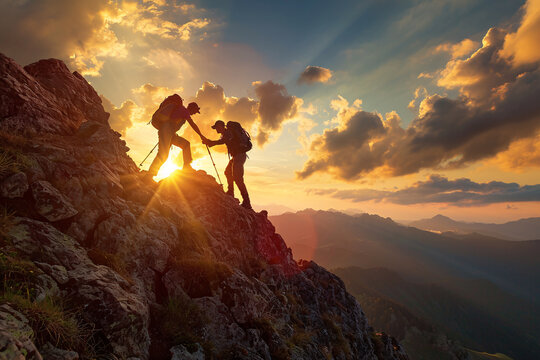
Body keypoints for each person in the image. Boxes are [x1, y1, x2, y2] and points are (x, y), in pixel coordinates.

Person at [146, 95, 207, 178]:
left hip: (169, 132)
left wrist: (170, 133)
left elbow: (173, 123)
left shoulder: (182, 111)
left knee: (185, 144)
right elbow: (192, 124)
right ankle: (149, 175)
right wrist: (201, 136)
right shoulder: (184, 111)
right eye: (195, 111)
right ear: (191, 108)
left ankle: (186, 167)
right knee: (163, 154)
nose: (195, 113)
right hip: (167, 129)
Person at [204, 120, 252, 209]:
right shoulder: (227, 133)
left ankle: (247, 202)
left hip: (239, 156)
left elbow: (223, 141)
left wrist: (211, 142)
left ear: (221, 126)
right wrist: (210, 143)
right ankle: (231, 192)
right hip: (236, 156)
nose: (216, 130)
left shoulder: (228, 132)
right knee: (227, 172)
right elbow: (222, 140)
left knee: (238, 178)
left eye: (217, 127)